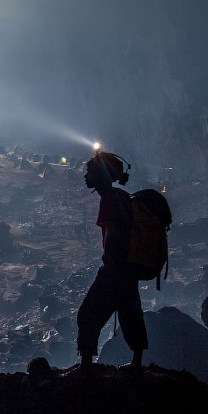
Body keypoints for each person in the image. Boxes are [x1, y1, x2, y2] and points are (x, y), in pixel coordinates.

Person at [76, 151, 148, 373]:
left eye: (89, 172)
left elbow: (113, 234)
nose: (86, 176)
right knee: (130, 314)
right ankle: (136, 363)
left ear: (100, 174)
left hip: (114, 269)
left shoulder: (109, 199)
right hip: (129, 269)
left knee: (87, 314)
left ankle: (86, 367)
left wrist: (110, 264)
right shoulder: (122, 197)